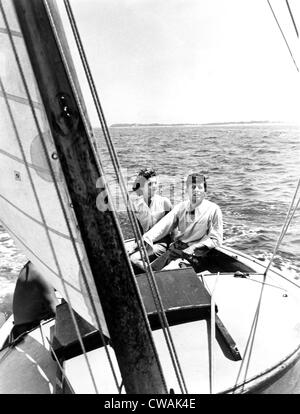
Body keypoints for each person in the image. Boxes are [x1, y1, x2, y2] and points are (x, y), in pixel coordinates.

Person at [142, 172, 223, 271]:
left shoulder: (214, 209)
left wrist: (194, 247)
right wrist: (146, 239)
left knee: (165, 273)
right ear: (187, 190)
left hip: (195, 256)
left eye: (200, 187)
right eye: (193, 187)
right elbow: (163, 226)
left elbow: (216, 239)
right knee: (149, 272)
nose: (196, 190)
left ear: (205, 191)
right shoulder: (181, 207)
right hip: (176, 250)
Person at [126, 168, 173, 271]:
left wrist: (174, 250)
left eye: (156, 183)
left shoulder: (164, 202)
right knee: (125, 258)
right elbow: (138, 235)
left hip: (161, 244)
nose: (154, 186)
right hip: (145, 244)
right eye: (150, 184)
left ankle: (155, 277)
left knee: (133, 259)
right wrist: (133, 248)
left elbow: (174, 228)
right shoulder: (136, 206)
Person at [10, 261, 58, 343]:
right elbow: (56, 309)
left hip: (20, 328)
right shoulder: (39, 272)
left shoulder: (31, 267)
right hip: (28, 332)